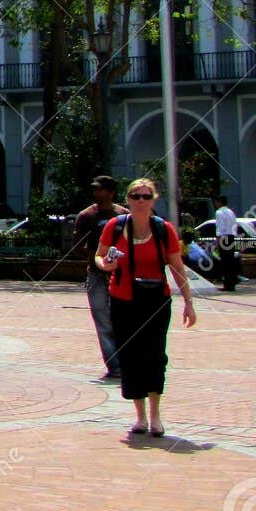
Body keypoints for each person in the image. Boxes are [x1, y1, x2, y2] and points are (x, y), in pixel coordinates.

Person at [93, 176, 198, 438]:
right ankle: (139, 416)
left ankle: (155, 415)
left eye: (146, 196)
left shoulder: (164, 229)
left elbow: (176, 266)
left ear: (154, 200)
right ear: (128, 200)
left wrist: (188, 301)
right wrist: (104, 264)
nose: (141, 201)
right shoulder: (115, 227)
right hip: (123, 299)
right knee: (130, 356)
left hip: (155, 300)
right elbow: (99, 253)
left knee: (154, 355)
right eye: (136, 196)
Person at [71, 175, 127, 382]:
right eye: (94, 189)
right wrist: (93, 257)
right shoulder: (87, 216)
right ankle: (114, 365)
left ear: (111, 192)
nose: (96, 193)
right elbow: (76, 245)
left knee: (122, 318)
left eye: (100, 189)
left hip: (120, 274)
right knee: (102, 320)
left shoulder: (123, 215)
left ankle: (126, 360)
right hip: (96, 274)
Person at [212, 193, 241, 292]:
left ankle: (227, 284)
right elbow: (235, 226)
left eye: (216, 202)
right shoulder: (231, 212)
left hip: (224, 238)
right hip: (231, 237)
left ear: (219, 202)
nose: (215, 204)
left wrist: (218, 241)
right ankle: (231, 284)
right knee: (230, 261)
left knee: (224, 262)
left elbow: (220, 228)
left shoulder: (219, 212)